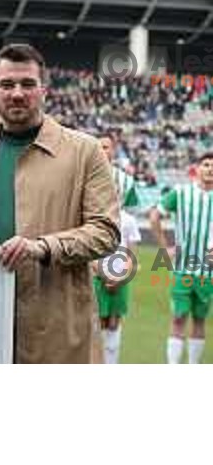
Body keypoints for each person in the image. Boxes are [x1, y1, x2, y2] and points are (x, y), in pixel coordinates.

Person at [0, 43, 120, 364]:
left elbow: (106, 231)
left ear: (44, 90)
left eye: (27, 84)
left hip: (56, 333)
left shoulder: (86, 151)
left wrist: (43, 247)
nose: (17, 93)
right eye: (7, 84)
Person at [150, 152, 213, 364]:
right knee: (178, 318)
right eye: (206, 165)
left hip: (208, 271)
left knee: (199, 320)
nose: (210, 169)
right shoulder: (181, 193)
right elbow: (155, 215)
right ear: (197, 168)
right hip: (182, 268)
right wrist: (164, 248)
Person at [93, 133, 142, 364]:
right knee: (96, 320)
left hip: (120, 267)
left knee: (114, 320)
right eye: (99, 146)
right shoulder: (84, 174)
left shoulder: (126, 181)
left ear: (113, 150)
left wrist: (122, 273)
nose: (104, 151)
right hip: (95, 266)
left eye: (107, 147)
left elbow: (131, 229)